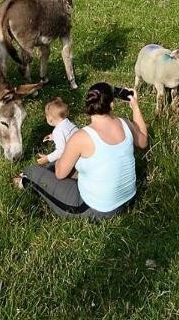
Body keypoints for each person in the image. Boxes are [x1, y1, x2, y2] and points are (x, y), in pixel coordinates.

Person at [12, 83, 148, 219]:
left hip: (93, 209)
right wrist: (135, 107)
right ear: (111, 105)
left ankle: (25, 182)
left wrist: (65, 152)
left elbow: (60, 173)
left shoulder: (81, 137)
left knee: (33, 170)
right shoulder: (125, 123)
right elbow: (143, 142)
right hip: (128, 200)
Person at [36, 97, 78, 166]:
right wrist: (53, 137)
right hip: (81, 151)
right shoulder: (69, 123)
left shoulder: (58, 131)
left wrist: (47, 158)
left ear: (50, 119)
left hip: (73, 159)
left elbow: (61, 152)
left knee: (55, 165)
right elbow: (67, 135)